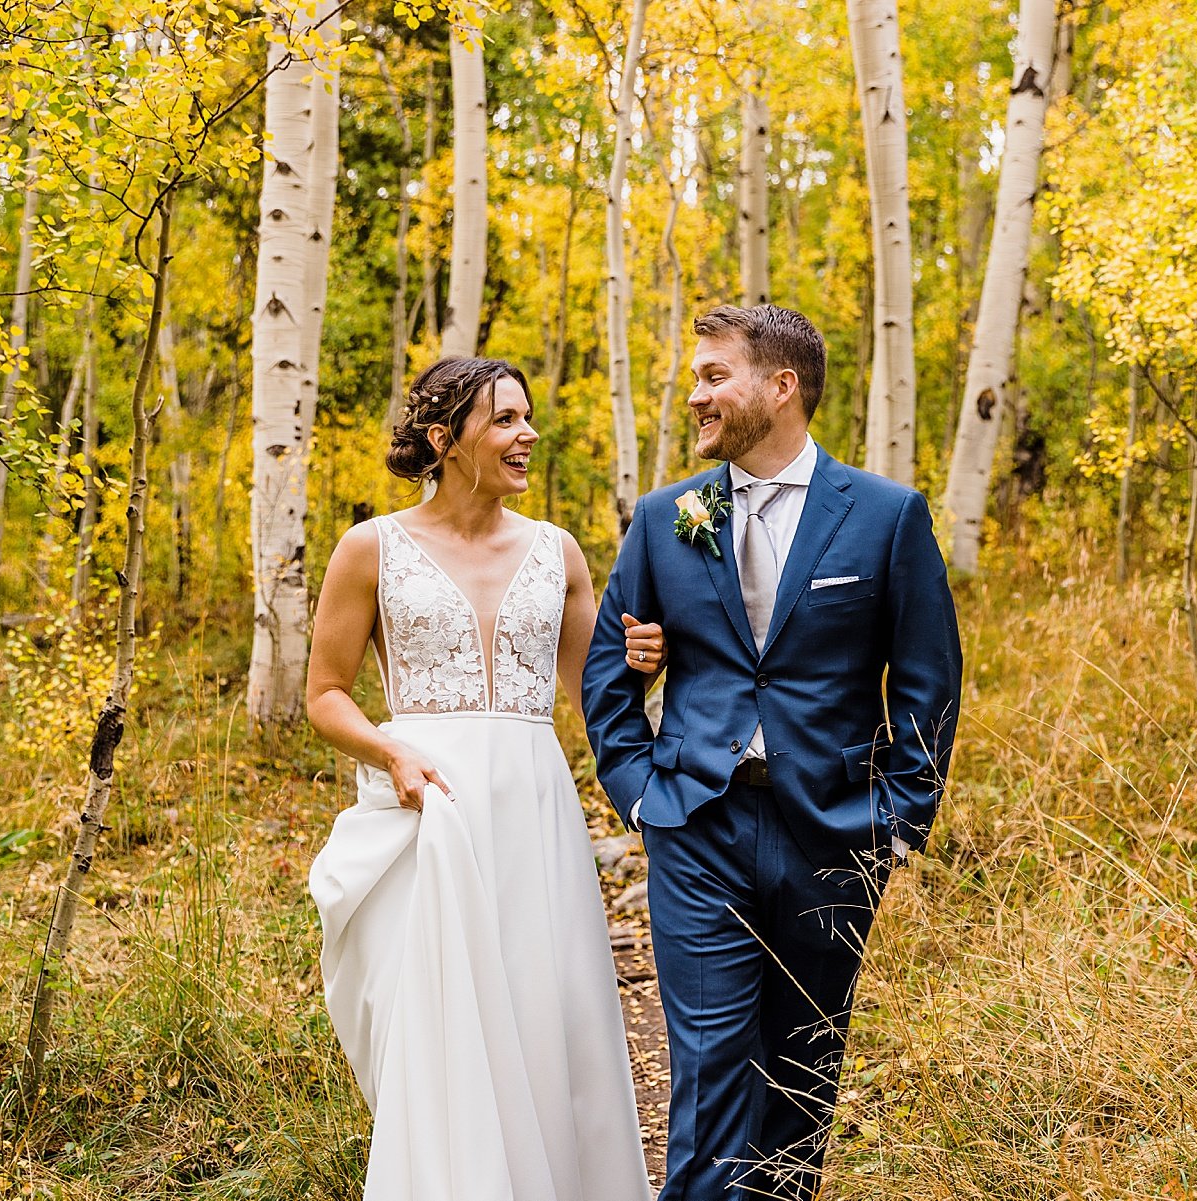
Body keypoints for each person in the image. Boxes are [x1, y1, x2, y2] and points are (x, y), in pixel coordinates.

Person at [585, 304, 963, 1200]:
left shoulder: (885, 515)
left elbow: (927, 681)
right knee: (712, 1067)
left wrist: (897, 822)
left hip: (831, 834)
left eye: (716, 375)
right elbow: (610, 667)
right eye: (697, 376)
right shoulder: (664, 516)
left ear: (781, 386)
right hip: (697, 825)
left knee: (803, 1069)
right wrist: (640, 793)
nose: (696, 393)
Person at [305, 357, 655, 1200]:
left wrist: (644, 664)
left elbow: (591, 694)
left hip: (535, 812)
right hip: (429, 810)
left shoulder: (558, 554)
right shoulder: (371, 547)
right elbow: (323, 693)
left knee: (547, 1011)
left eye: (527, 417)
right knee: (439, 1030)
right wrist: (393, 753)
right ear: (444, 438)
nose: (527, 434)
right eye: (504, 420)